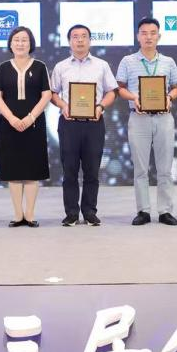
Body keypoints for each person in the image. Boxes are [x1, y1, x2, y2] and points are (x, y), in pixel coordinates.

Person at [116, 17, 177, 226]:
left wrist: (169, 97)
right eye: (144, 33)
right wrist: (134, 97)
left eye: (153, 33)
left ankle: (165, 211)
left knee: (165, 168)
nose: (148, 37)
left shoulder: (168, 62)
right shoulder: (127, 61)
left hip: (163, 118)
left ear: (159, 36)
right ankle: (143, 211)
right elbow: (120, 88)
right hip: (138, 118)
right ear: (138, 36)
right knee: (141, 169)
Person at [50, 24, 117, 226]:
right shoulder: (61, 67)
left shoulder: (101, 65)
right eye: (75, 36)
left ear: (90, 40)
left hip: (93, 123)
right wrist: (63, 105)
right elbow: (53, 93)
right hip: (69, 123)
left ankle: (89, 212)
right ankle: (71, 213)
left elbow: (112, 91)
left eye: (84, 36)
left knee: (92, 170)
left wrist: (100, 106)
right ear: (69, 41)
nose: (80, 40)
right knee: (69, 170)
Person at [0, 26, 52, 227]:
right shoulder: (3, 67)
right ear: (10, 44)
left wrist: (31, 117)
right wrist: (11, 118)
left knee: (32, 170)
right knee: (13, 170)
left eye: (24, 40)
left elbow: (46, 95)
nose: (20, 43)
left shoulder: (40, 67)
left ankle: (30, 214)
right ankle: (18, 215)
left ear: (31, 43)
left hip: (34, 125)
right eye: (16, 40)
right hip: (9, 124)